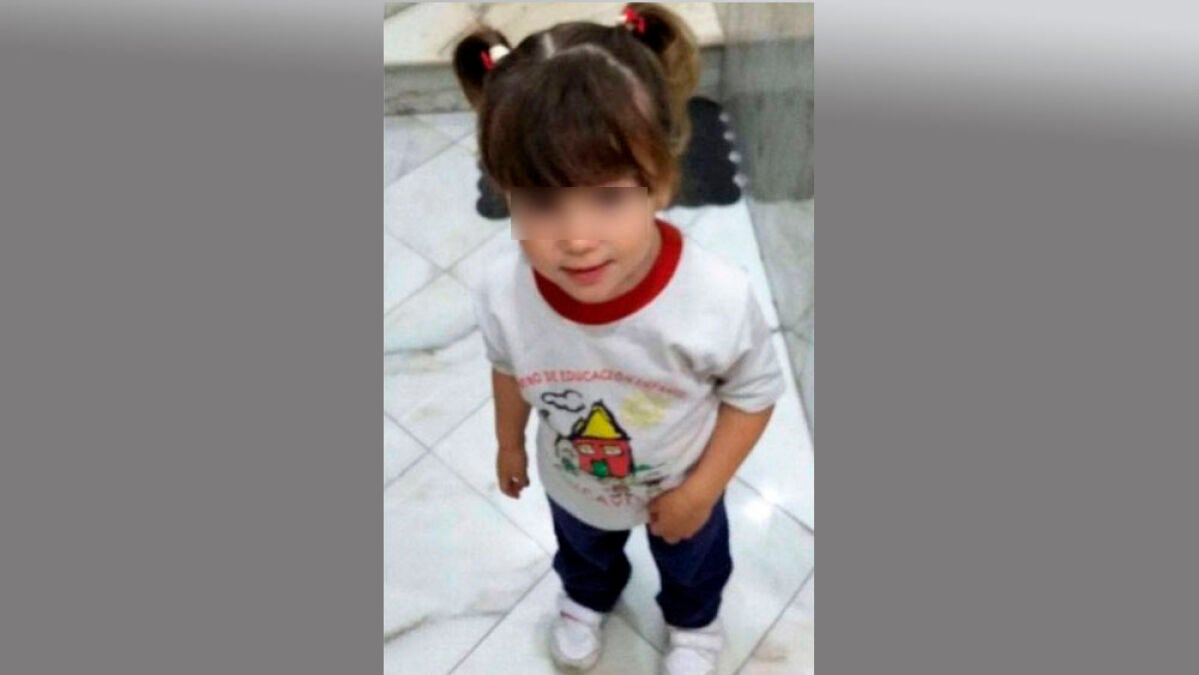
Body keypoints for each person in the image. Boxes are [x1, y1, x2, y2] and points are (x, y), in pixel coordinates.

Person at [455, 5, 786, 674]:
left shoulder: (715, 297)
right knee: (581, 551)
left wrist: (701, 491)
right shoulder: (502, 291)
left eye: (607, 197)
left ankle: (694, 623)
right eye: (542, 203)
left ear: (659, 181)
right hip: (575, 481)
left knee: (695, 563)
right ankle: (585, 597)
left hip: (683, 482)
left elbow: (752, 395)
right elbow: (506, 366)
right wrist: (507, 440)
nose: (576, 238)